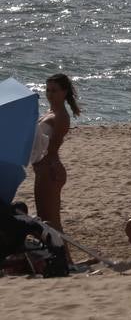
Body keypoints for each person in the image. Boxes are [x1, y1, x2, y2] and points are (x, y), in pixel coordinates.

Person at [32, 74, 79, 238]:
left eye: (54, 90)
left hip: (50, 169)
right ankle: (58, 258)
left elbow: (52, 148)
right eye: (47, 90)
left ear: (64, 92)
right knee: (43, 218)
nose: (50, 94)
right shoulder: (50, 112)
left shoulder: (61, 116)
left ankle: (66, 261)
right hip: (42, 169)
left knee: (51, 220)